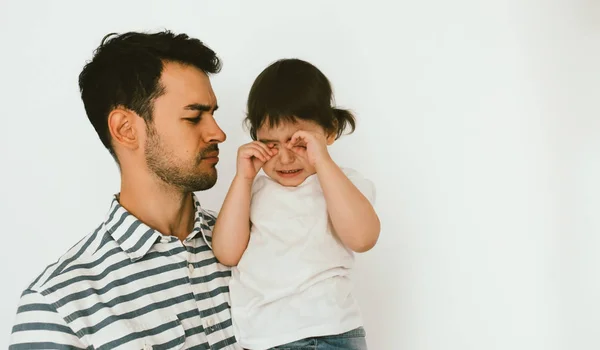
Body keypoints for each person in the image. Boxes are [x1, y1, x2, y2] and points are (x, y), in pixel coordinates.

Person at [9, 30, 243, 350]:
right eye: (193, 117)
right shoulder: (57, 307)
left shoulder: (259, 243)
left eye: (213, 113)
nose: (218, 133)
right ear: (126, 129)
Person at [211, 58, 381, 350]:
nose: (285, 159)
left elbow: (363, 238)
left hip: (325, 332)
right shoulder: (253, 190)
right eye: (271, 144)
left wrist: (323, 161)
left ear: (329, 132)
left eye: (299, 143)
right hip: (261, 339)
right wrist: (242, 179)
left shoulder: (342, 184)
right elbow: (227, 252)